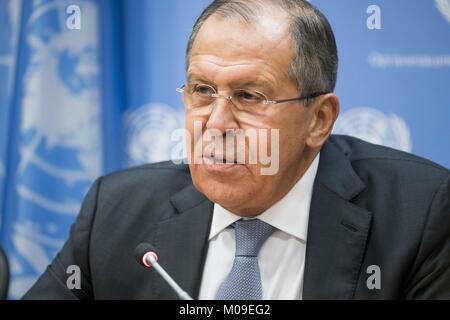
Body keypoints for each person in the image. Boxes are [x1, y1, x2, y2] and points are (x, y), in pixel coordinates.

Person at [24, 0, 449, 300]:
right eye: (202, 91)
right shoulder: (116, 210)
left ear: (319, 119)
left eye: (249, 96)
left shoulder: (420, 213)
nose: (217, 123)